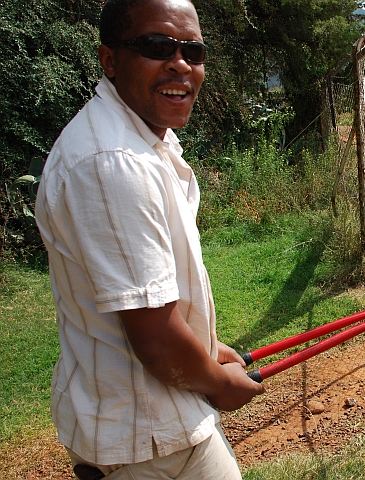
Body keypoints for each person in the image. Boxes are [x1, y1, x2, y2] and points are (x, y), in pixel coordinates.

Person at [34, 0, 265, 478]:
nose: (180, 63)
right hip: (148, 440)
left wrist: (207, 349)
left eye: (194, 52)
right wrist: (220, 385)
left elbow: (155, 303)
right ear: (109, 60)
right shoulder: (114, 162)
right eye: (158, 46)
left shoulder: (142, 141)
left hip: (149, 425)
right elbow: (157, 339)